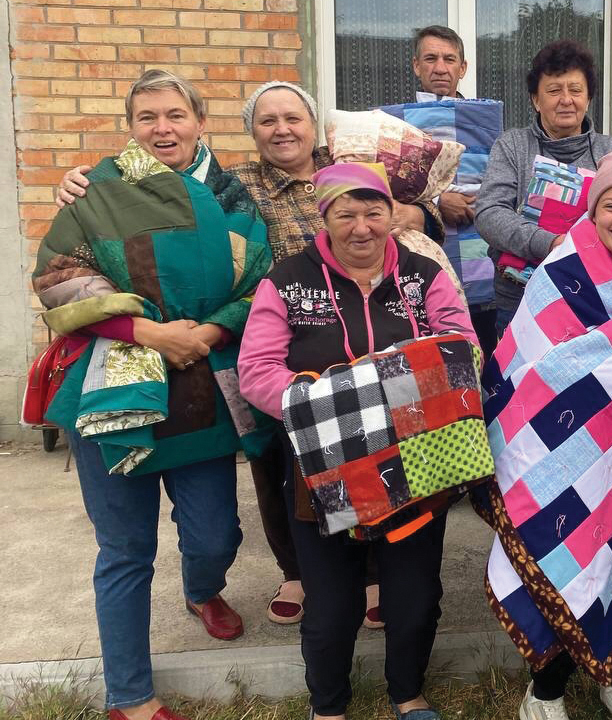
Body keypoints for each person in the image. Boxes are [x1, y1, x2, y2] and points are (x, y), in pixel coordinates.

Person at [53, 81, 405, 629]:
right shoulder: (235, 185)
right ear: (249, 132)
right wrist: (79, 181)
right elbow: (77, 256)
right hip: (268, 347)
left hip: (350, 330)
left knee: (369, 453)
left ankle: (374, 574)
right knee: (280, 469)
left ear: (314, 126)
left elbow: (411, 210)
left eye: (293, 117)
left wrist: (415, 215)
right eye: (267, 121)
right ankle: (294, 571)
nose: (282, 129)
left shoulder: (350, 170)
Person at [30, 69, 272, 720]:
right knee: (126, 548)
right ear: (131, 126)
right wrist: (146, 331)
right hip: (113, 392)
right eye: (146, 118)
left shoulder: (230, 196)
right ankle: (130, 697)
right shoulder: (98, 189)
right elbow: (58, 276)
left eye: (174, 115)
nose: (161, 128)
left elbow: (262, 281)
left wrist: (214, 328)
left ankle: (202, 590)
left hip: (203, 378)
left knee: (216, 534)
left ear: (199, 121)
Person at [238, 162, 477, 720]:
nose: (362, 226)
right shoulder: (288, 280)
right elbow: (256, 371)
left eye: (374, 211)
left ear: (392, 214)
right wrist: (340, 399)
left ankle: (408, 694)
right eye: (346, 213)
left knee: (414, 596)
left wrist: (382, 390)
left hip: (418, 459)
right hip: (324, 463)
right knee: (332, 604)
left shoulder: (423, 275)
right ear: (326, 217)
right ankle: (328, 706)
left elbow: (460, 342)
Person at [482, 151, 612, 720]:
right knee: (554, 563)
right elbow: (528, 369)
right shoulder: (557, 275)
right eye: (611, 205)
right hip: (552, 459)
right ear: (591, 212)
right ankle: (544, 694)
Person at [473, 39, 612, 336]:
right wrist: (553, 243)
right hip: (519, 302)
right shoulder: (513, 146)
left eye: (575, 90)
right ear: (535, 100)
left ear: (588, 98)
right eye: (554, 90)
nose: (566, 99)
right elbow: (489, 213)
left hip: (593, 301)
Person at [408, 25, 501, 358]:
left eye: (449, 59)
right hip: (424, 260)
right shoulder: (399, 126)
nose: (440, 67)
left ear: (463, 68)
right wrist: (436, 201)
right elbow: (388, 190)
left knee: (488, 359)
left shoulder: (486, 123)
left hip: (482, 263)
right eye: (430, 58)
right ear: (416, 65)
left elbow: (507, 179)